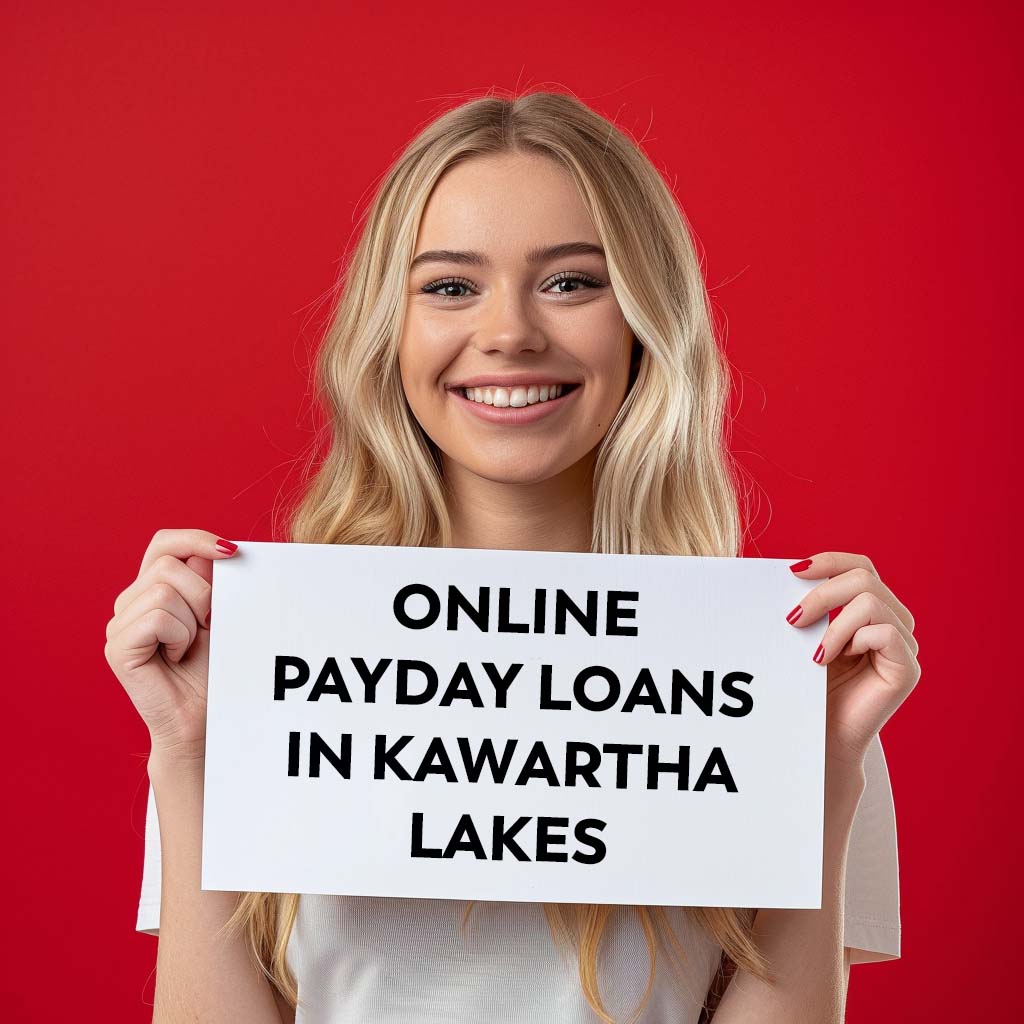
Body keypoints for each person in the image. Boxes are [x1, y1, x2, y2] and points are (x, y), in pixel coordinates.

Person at [105, 90, 920, 1023]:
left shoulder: (784, 673)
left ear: (645, 322)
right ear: (392, 328)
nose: (509, 334)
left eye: (572, 281)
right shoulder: (262, 660)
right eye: (450, 286)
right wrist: (187, 758)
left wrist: (822, 775)